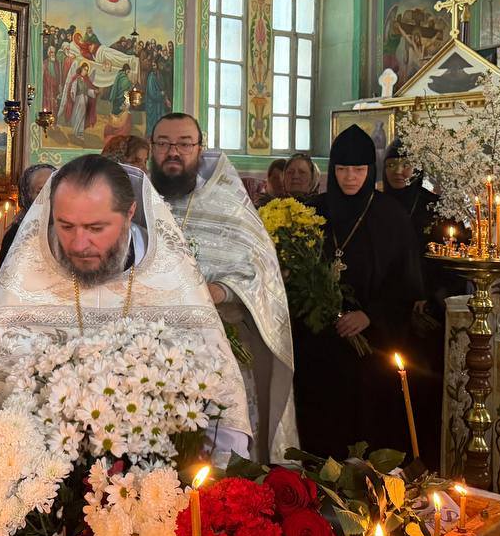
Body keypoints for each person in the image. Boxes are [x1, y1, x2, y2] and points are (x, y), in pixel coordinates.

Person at [0, 154, 254, 462]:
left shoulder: (171, 277)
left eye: (96, 227)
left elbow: (221, 400)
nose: (79, 244)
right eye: (65, 226)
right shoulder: (26, 275)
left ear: (130, 213)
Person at [149, 114, 296, 461]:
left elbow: (259, 269)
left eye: (184, 143)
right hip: (149, 348)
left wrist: (221, 290)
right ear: (152, 148)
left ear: (200, 147)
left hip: (220, 346)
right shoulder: (137, 199)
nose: (173, 151)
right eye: (164, 143)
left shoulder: (227, 202)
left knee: (219, 450)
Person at [292, 125, 424, 460]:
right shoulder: (313, 212)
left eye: (358, 170)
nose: (350, 178)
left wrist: (369, 316)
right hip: (320, 343)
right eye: (342, 169)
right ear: (332, 170)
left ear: (370, 171)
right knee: (321, 423)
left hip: (371, 345)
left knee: (368, 421)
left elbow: (405, 282)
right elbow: (296, 270)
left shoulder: (391, 216)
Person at [383, 139, 464, 471]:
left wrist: (431, 298)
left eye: (405, 165)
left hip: (427, 315)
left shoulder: (435, 208)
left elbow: (452, 261)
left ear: (417, 169)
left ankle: (425, 459)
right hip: (388, 312)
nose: (398, 172)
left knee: (423, 387)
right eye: (391, 165)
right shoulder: (377, 205)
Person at [0, 163, 56, 267]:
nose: (49, 196)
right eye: (41, 191)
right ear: (27, 195)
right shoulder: (16, 236)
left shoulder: (69, 229)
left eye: (53, 189)